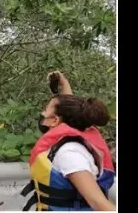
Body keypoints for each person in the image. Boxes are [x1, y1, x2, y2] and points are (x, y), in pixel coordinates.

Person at [22, 71, 116, 211]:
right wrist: (63, 82)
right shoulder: (77, 130)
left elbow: (98, 202)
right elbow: (71, 108)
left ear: (55, 120)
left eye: (46, 109)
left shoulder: (70, 153)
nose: (42, 113)